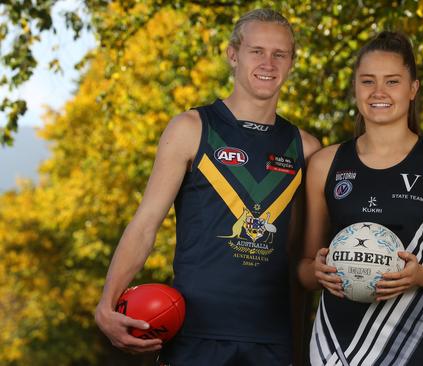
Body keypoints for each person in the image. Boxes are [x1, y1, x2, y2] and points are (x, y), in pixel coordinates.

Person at [94, 8, 321, 366]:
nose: (268, 63)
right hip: (193, 337)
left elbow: (300, 256)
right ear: (233, 54)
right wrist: (107, 304)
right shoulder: (190, 128)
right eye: (256, 51)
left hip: (273, 341)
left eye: (280, 54)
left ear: (292, 62)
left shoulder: (307, 149)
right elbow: (145, 224)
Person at [298, 31, 423, 365]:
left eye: (392, 81)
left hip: (413, 343)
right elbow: (304, 268)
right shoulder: (325, 163)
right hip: (334, 348)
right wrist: (317, 272)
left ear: (413, 89)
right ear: (355, 88)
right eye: (368, 81)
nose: (378, 92)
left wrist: (421, 275)